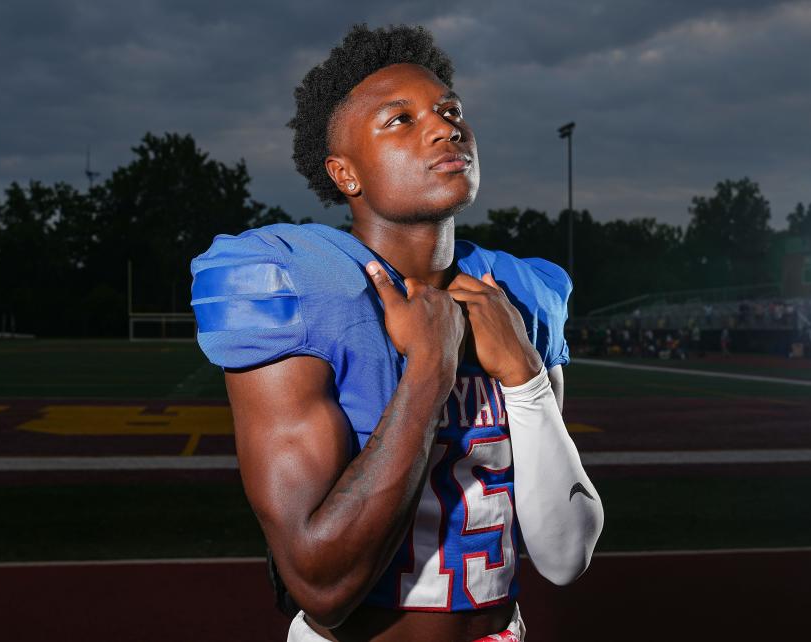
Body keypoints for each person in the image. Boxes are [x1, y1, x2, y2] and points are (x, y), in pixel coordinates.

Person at [189, 24, 603, 642]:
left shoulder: (517, 298)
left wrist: (525, 377)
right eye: (400, 120)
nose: (444, 127)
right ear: (345, 173)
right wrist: (429, 370)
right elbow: (320, 586)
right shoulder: (301, 290)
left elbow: (565, 557)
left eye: (449, 111)